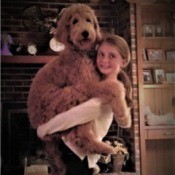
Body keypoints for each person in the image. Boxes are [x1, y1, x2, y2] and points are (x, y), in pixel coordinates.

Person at [37, 34, 132, 175]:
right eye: (101, 54)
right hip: (72, 152)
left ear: (123, 62)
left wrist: (44, 128)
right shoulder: (96, 83)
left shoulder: (111, 92)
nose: (105, 60)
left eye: (112, 56)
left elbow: (75, 115)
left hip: (75, 155)